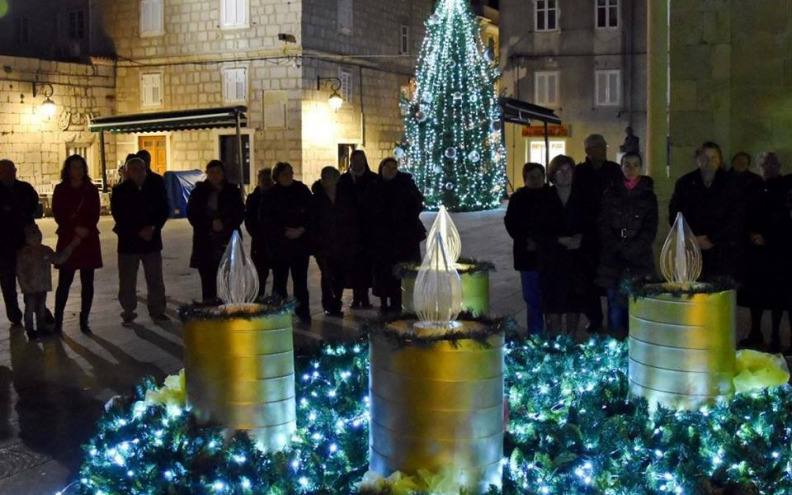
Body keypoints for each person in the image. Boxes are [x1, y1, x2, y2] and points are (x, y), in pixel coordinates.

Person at [595, 152, 658, 337]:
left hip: (639, 259)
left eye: (635, 165)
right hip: (613, 258)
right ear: (621, 167)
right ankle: (616, 345)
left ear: (641, 168)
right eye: (627, 165)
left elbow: (650, 227)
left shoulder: (648, 196)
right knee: (615, 305)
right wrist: (616, 246)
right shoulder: (610, 192)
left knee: (639, 304)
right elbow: (603, 223)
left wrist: (634, 248)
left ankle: (637, 346)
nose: (631, 169)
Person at [738, 152, 792, 351]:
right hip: (757, 250)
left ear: (778, 165)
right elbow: (745, 214)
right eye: (764, 163)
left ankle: (776, 335)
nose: (768, 167)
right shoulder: (752, 186)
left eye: (772, 163)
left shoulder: (786, 186)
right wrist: (751, 234)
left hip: (780, 249)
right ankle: (756, 331)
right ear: (758, 166)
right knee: (756, 293)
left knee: (779, 294)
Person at [668, 141, 744, 280]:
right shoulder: (684, 183)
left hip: (722, 248)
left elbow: (736, 215)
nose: (709, 162)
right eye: (705, 158)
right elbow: (675, 213)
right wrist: (692, 237)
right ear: (697, 159)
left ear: (720, 159)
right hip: (691, 248)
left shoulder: (732, 183)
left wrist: (712, 239)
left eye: (714, 158)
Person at [111, 156, 170, 325]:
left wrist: (153, 228)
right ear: (128, 172)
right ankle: (128, 311)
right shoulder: (120, 191)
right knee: (128, 280)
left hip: (151, 241)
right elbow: (120, 215)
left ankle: (158, 310)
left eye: (141, 169)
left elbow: (163, 209)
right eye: (134, 170)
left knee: (155, 278)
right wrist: (138, 230)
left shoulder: (155, 187)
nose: (138, 173)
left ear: (146, 170)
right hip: (129, 243)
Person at [532, 155, 586, 336]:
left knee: (574, 301)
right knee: (552, 302)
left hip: (576, 259)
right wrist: (557, 240)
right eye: (560, 171)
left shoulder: (582, 195)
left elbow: (593, 223)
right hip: (551, 260)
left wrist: (581, 238)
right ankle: (554, 342)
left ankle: (570, 340)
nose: (565, 175)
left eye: (569, 170)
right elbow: (536, 230)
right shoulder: (543, 197)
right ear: (552, 175)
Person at [574, 134, 622, 333]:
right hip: (587, 234)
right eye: (598, 146)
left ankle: (614, 321)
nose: (603, 149)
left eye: (604, 145)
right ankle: (594, 318)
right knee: (587, 282)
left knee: (611, 280)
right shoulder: (580, 171)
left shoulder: (613, 170)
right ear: (588, 151)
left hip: (609, 233)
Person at [365, 157, 426, 313]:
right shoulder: (374, 186)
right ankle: (384, 301)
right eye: (388, 167)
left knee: (402, 269)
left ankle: (400, 300)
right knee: (383, 271)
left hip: (404, 236)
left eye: (394, 167)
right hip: (382, 236)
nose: (391, 170)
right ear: (382, 168)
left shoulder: (406, 184)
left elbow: (417, 203)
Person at [52, 154, 103, 334]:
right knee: (64, 282)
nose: (78, 171)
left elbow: (95, 213)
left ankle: (84, 319)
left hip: (87, 239)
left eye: (81, 167)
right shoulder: (60, 189)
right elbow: (58, 213)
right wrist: (75, 229)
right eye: (74, 167)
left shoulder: (91, 189)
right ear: (68, 170)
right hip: (68, 238)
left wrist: (85, 230)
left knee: (87, 282)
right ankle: (58, 321)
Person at [259, 162, 313, 323]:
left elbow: (312, 213)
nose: (288, 176)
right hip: (280, 246)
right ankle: (279, 313)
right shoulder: (271, 195)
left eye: (290, 173)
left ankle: (303, 312)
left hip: (300, 245)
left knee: (301, 282)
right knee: (279, 281)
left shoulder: (302, 190)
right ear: (277, 176)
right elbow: (266, 220)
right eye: (284, 174)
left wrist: (301, 230)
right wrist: (283, 232)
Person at [187, 160, 245, 303]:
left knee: (228, 279)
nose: (215, 175)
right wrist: (210, 224)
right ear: (207, 174)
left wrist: (223, 223)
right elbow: (193, 214)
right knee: (208, 280)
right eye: (211, 172)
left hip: (227, 239)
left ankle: (229, 309)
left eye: (218, 172)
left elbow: (239, 213)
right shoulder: (198, 192)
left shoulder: (232, 191)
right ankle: (210, 311)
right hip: (205, 240)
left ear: (223, 173)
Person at [504, 162, 548, 334]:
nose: (536, 180)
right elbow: (511, 223)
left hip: (549, 255)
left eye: (539, 176)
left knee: (549, 297)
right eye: (532, 177)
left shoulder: (550, 195)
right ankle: (535, 333)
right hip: (527, 255)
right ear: (525, 179)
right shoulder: (518, 198)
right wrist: (525, 240)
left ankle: (552, 334)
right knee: (532, 297)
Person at [16, 224, 79, 340]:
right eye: (32, 237)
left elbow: (59, 259)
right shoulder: (24, 254)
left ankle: (41, 327)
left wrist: (71, 247)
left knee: (40, 308)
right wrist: (24, 285)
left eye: (37, 237)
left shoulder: (45, 251)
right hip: (30, 288)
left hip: (42, 286)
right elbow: (20, 271)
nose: (36, 240)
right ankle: (30, 329)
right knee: (30, 309)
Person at [310, 166, 358, 318]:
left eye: (329, 177)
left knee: (340, 275)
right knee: (327, 274)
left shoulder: (344, 196)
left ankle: (336, 301)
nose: (326, 180)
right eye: (324, 177)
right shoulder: (316, 198)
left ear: (336, 179)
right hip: (324, 244)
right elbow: (312, 221)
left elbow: (350, 218)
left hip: (342, 243)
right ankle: (329, 305)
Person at [0, 159, 39, 327]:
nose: (9, 174)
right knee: (8, 280)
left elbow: (33, 208)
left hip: (24, 241)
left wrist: (11, 211)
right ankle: (14, 314)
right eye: (5, 171)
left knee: (30, 278)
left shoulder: (25, 189)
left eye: (11, 170)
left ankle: (37, 309)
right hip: (3, 244)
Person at [337, 150, 378, 309]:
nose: (358, 163)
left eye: (361, 160)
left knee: (366, 265)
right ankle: (356, 296)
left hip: (367, 230)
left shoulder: (373, 179)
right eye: (355, 160)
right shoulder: (344, 180)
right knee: (353, 265)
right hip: (350, 230)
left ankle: (365, 297)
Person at [244, 167, 274, 297]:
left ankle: (276, 304)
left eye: (269, 179)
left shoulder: (278, 196)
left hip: (276, 242)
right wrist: (257, 234)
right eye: (263, 179)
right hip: (259, 242)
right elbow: (249, 220)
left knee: (279, 276)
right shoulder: (253, 198)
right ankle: (258, 301)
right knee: (260, 275)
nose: (266, 182)